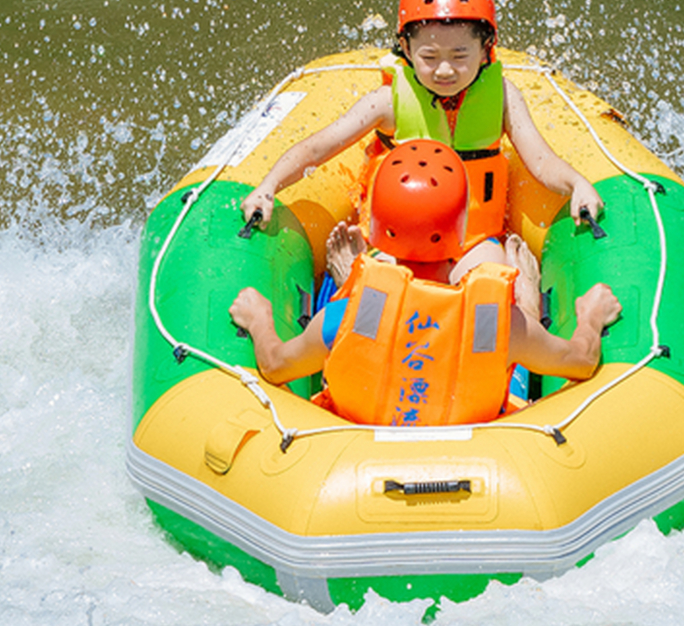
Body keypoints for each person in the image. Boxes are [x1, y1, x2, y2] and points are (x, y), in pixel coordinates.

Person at [239, 0, 604, 282]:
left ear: (487, 47)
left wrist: (577, 184)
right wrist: (268, 186)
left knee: (492, 285)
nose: (445, 70)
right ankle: (348, 274)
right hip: (395, 240)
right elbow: (321, 146)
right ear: (406, 49)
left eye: (460, 55)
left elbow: (540, 160)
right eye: (429, 57)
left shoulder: (505, 98)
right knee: (377, 295)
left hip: (472, 241)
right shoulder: (388, 102)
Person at [229, 140, 622, 426]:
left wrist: (260, 320)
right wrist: (590, 318)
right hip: (483, 452)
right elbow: (581, 362)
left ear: (376, 235)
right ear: (463, 231)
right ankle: (528, 300)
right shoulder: (500, 323)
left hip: (356, 452)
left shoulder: (341, 317)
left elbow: (276, 365)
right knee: (515, 349)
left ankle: (351, 277)